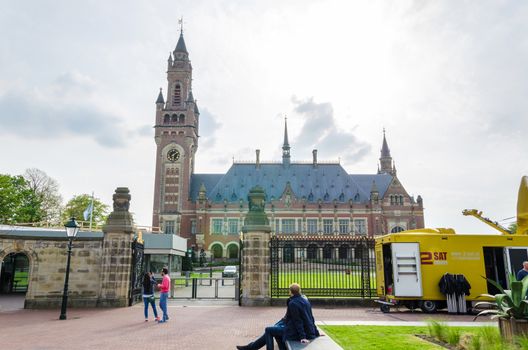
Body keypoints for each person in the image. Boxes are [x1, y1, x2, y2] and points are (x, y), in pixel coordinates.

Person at [236, 284, 319, 350]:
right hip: (299, 328)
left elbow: (298, 321)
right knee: (274, 329)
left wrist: (303, 337)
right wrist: (316, 332)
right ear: (299, 291)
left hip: (295, 332)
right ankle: (251, 347)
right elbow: (311, 317)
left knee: (268, 330)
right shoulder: (305, 301)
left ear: (290, 292)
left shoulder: (293, 303)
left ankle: (251, 347)